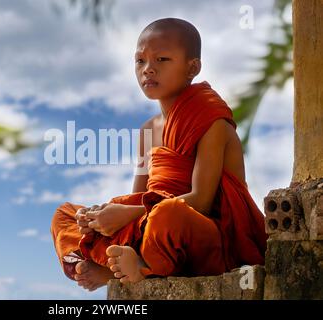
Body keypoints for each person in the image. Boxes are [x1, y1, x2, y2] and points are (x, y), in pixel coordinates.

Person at [50, 17, 267, 292]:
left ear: (193, 67)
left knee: (168, 214)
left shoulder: (211, 120)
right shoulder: (148, 131)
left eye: (162, 60)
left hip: (203, 233)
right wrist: (100, 216)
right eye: (140, 61)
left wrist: (126, 214)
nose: (148, 70)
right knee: (66, 215)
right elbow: (139, 198)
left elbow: (200, 203)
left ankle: (138, 266)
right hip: (151, 223)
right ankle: (116, 263)